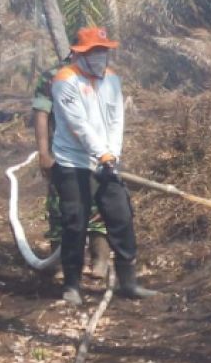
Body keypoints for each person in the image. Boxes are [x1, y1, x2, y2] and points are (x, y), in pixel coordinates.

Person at [49, 26, 157, 305]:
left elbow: (115, 119)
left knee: (120, 216)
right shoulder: (65, 80)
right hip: (72, 163)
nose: (100, 57)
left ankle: (129, 282)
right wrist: (101, 153)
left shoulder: (111, 80)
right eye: (94, 52)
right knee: (76, 222)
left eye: (103, 51)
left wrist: (113, 155)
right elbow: (78, 125)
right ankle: (72, 284)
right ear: (79, 54)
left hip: (105, 161)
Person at [32, 55, 110, 280]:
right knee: (62, 208)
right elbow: (42, 114)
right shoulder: (54, 76)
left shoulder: (102, 74)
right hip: (64, 156)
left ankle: (99, 260)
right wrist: (44, 153)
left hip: (96, 154)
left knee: (98, 205)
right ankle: (62, 264)